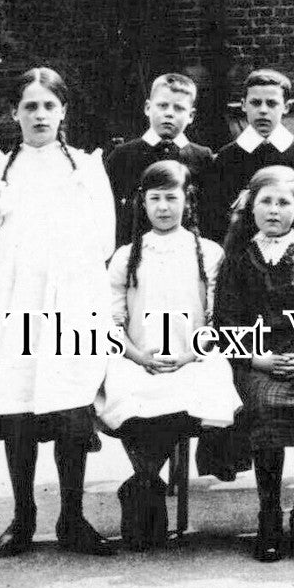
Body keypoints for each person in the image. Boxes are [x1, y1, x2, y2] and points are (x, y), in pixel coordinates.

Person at [0, 67, 115, 557]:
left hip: (70, 302)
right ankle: (23, 517)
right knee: (18, 405)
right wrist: (12, 283)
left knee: (69, 405)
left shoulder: (85, 169)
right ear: (15, 113)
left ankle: (72, 516)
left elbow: (102, 240)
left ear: (64, 111)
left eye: (49, 106)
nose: (40, 115)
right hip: (14, 300)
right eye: (30, 106)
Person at [95, 160, 241, 549]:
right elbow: (111, 319)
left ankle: (143, 487)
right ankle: (147, 484)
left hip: (193, 358)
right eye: (155, 199)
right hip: (137, 358)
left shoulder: (208, 253)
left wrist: (190, 355)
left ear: (187, 201)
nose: (163, 207)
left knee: (196, 390)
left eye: (171, 198)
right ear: (142, 203)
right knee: (128, 393)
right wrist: (137, 355)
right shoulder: (127, 256)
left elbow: (218, 317)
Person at [213, 166, 294, 562]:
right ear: (251, 207)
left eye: (284, 202)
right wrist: (256, 357)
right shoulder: (238, 259)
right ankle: (269, 515)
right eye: (265, 201)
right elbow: (227, 318)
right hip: (259, 357)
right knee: (265, 409)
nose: (274, 210)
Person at [203, 69, 294, 243]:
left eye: (272, 104)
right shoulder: (227, 157)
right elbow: (217, 216)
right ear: (243, 105)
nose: (263, 111)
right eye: (256, 103)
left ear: (286, 107)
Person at [105, 72, 214, 249]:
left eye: (179, 108)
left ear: (191, 115)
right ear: (148, 108)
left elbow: (209, 215)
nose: (169, 113)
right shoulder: (122, 155)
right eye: (162, 106)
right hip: (135, 250)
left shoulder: (202, 158)